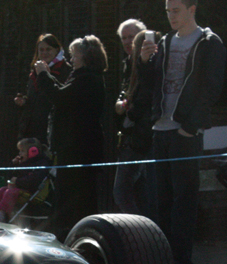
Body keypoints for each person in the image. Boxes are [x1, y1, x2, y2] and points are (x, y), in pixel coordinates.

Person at [139, 0, 226, 264]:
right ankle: (163, 261)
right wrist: (143, 62)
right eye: (167, 10)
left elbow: (212, 87)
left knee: (184, 200)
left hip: (185, 132)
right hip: (161, 129)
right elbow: (152, 83)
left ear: (192, 9)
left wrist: (190, 127)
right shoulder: (164, 42)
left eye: (176, 10)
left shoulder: (208, 42)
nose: (170, 16)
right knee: (158, 198)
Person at [35, 35, 108, 240]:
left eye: (74, 55)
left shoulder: (86, 78)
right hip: (78, 147)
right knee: (78, 198)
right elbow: (65, 95)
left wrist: (43, 75)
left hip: (78, 148)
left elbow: (59, 97)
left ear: (85, 56)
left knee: (73, 200)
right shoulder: (86, 77)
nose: (71, 59)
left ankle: (74, 239)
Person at [113, 30, 160, 216]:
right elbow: (127, 93)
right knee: (140, 193)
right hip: (134, 138)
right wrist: (121, 105)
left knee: (122, 192)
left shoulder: (151, 68)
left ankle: (142, 232)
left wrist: (130, 115)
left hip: (140, 139)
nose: (127, 42)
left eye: (131, 38)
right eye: (123, 38)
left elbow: (145, 98)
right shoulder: (131, 67)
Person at [14, 34, 72, 145]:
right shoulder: (35, 71)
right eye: (41, 50)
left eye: (48, 49)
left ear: (57, 50)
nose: (44, 53)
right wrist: (24, 101)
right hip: (30, 133)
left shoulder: (66, 71)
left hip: (50, 133)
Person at [0, 138, 51, 222]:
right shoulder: (23, 163)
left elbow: (33, 181)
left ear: (33, 152)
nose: (19, 154)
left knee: (9, 192)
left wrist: (17, 181)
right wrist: (13, 165)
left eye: (22, 151)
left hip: (31, 191)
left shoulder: (41, 164)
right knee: (2, 189)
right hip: (19, 188)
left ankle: (1, 215)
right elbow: (9, 176)